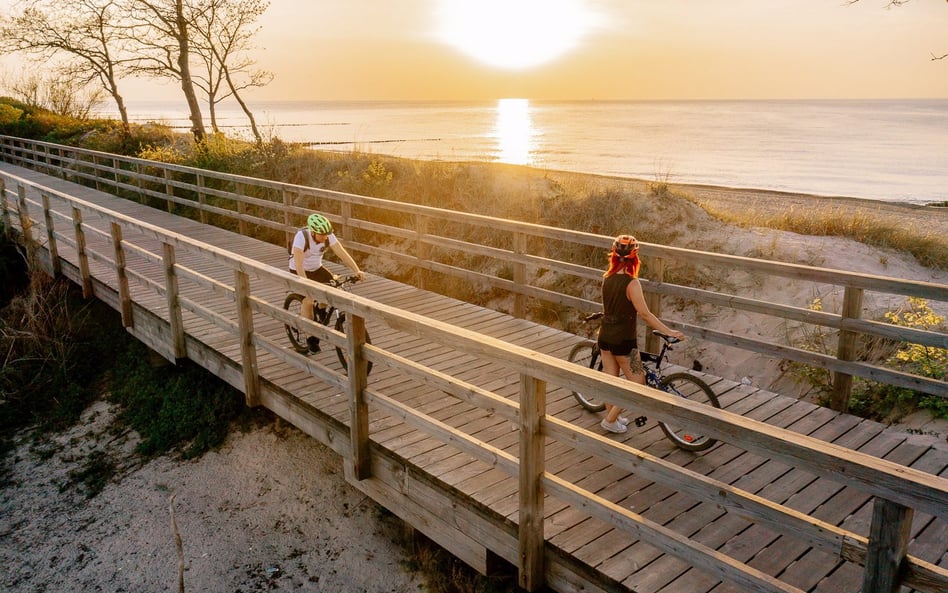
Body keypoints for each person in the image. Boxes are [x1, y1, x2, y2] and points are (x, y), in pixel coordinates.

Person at [598, 234, 685, 434]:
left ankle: (613, 416)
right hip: (624, 342)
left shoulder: (607, 278)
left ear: (614, 255)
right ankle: (610, 420)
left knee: (610, 381)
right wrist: (669, 331)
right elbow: (645, 314)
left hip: (605, 336)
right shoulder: (632, 283)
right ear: (635, 257)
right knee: (638, 382)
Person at [288, 213, 365, 353]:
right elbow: (298, 262)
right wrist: (305, 283)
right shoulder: (301, 237)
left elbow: (341, 253)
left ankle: (321, 309)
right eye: (321, 235)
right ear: (313, 232)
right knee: (309, 300)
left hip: (317, 268)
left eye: (327, 234)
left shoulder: (328, 236)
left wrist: (357, 270)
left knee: (334, 287)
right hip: (298, 270)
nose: (325, 237)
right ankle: (311, 338)